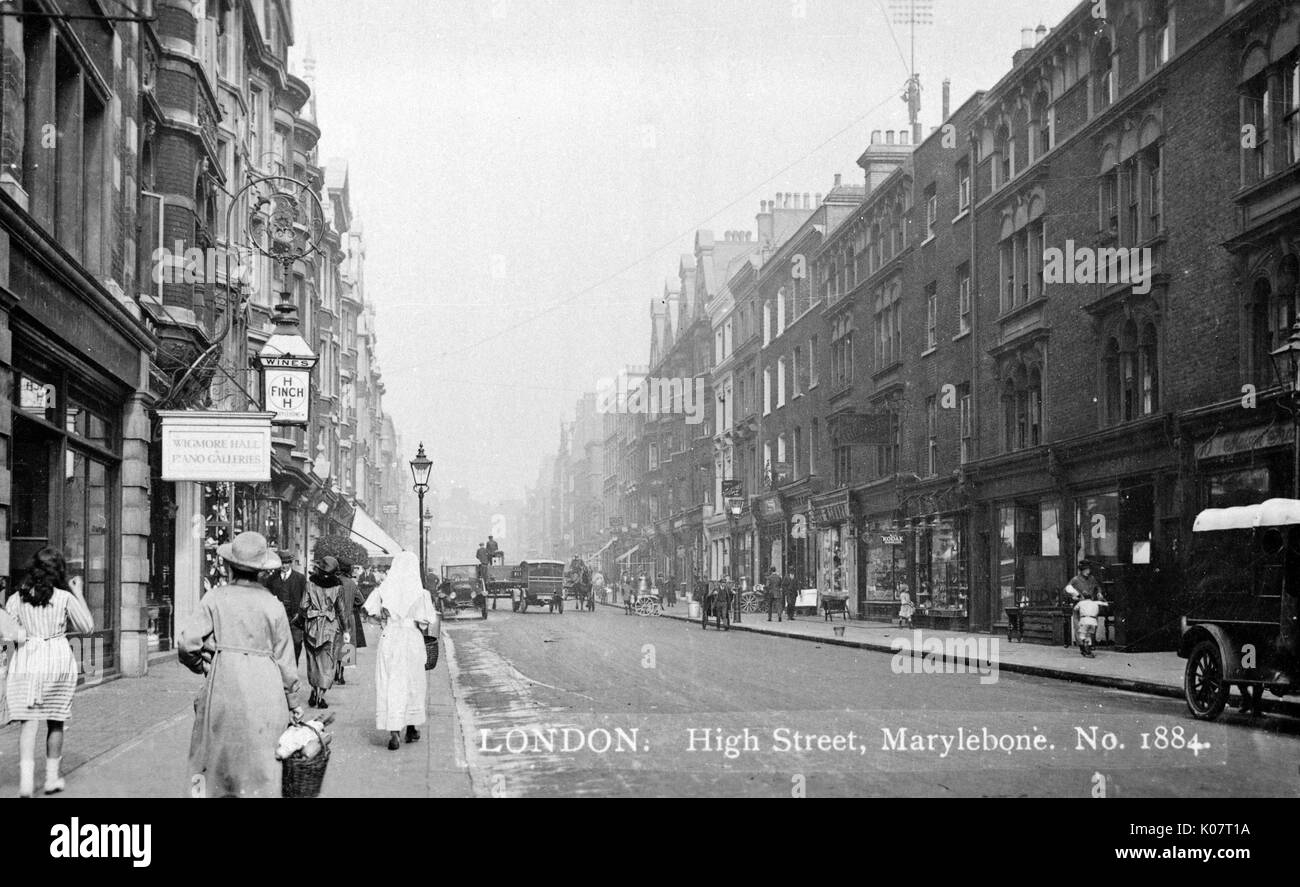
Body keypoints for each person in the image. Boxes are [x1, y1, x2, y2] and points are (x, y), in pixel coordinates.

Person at [178, 532, 302, 798]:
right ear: (262, 572)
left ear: (229, 566)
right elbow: (285, 660)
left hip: (224, 682)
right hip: (266, 688)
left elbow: (188, 643)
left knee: (213, 760)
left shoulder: (214, 598)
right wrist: (293, 703)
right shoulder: (274, 605)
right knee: (262, 763)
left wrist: (203, 665)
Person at [6, 548, 91, 797]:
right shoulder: (64, 597)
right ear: (59, 570)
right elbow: (87, 627)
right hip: (57, 662)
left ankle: (25, 783)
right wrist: (79, 592)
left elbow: (9, 630)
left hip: (27, 663)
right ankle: (52, 779)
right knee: (56, 721)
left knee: (28, 725)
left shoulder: (17, 598)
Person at [362, 551, 440, 751]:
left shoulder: (382, 591)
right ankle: (411, 727)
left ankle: (394, 731)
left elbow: (370, 617)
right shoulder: (421, 594)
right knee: (413, 682)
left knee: (389, 682)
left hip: (390, 637)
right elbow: (425, 623)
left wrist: (385, 622)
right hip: (411, 638)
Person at [302, 556, 350, 709]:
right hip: (330, 628)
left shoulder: (310, 585)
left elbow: (303, 605)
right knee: (328, 663)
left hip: (311, 627)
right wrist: (346, 629)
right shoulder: (337, 587)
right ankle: (321, 696)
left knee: (313, 661)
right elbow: (341, 611)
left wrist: (311, 613)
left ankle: (313, 689)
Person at [263, 551, 306, 664]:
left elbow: (305, 598)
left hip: (295, 619)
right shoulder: (271, 579)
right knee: (277, 644)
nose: (284, 566)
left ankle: (294, 665)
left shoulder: (300, 578)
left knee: (296, 642)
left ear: (291, 563)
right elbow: (267, 597)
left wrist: (299, 612)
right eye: (282, 563)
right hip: (278, 617)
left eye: (287, 563)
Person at [334, 564, 361, 686]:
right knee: (346, 645)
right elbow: (360, 600)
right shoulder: (352, 583)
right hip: (349, 617)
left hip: (335, 617)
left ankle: (334, 672)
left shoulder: (335, 581)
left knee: (335, 645)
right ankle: (341, 675)